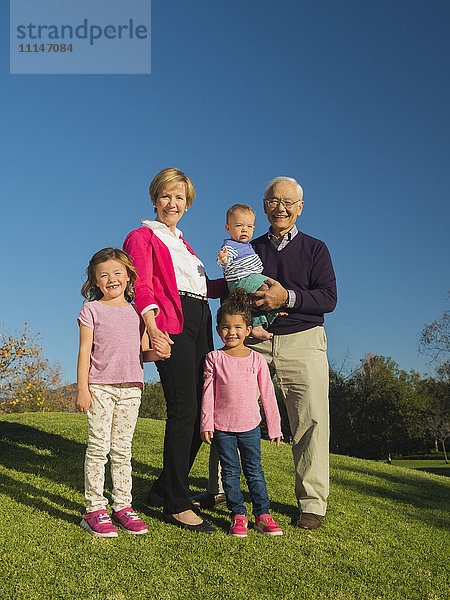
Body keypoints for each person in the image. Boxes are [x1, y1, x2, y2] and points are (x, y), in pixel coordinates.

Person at [205, 176, 337, 530]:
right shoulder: (246, 245)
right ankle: (219, 490)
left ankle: (312, 502)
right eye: (274, 201)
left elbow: (328, 298)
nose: (281, 207)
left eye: (289, 202)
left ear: (300, 208)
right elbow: (229, 286)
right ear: (265, 206)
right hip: (251, 342)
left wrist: (287, 298)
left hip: (303, 339)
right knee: (225, 409)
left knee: (310, 419)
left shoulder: (315, 249)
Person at [123, 168, 225, 533]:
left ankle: (164, 488)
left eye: (180, 198)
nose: (173, 203)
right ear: (155, 198)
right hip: (171, 325)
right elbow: (143, 285)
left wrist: (234, 281)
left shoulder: (184, 243)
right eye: (166, 196)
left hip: (200, 321)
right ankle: (177, 504)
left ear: (187, 205)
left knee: (203, 414)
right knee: (184, 410)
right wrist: (152, 328)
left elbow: (201, 287)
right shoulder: (142, 236)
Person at [76, 248, 170, 538]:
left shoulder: (136, 313)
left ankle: (123, 507)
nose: (111, 279)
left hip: (131, 389)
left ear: (129, 276)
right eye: (103, 275)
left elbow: (142, 353)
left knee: (122, 450)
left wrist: (160, 352)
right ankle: (94, 509)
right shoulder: (91, 310)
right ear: (94, 281)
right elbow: (83, 352)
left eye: (117, 273)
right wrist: (82, 389)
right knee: (98, 448)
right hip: (100, 387)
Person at [200, 289, 283, 537]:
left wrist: (275, 427)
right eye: (225, 327)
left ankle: (262, 515)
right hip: (222, 428)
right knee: (230, 472)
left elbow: (268, 394)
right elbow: (207, 393)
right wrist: (206, 424)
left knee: (254, 471)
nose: (231, 332)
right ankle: (238, 514)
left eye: (238, 327)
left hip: (250, 428)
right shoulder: (213, 358)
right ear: (218, 330)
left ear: (248, 329)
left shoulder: (257, 360)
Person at [217, 204, 283, 341]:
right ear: (228, 228)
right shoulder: (231, 245)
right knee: (266, 289)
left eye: (248, 227)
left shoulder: (247, 245)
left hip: (250, 277)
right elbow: (226, 261)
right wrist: (224, 260)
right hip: (241, 279)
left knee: (260, 296)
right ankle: (261, 323)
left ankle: (266, 318)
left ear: (253, 228)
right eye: (239, 226)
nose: (244, 230)